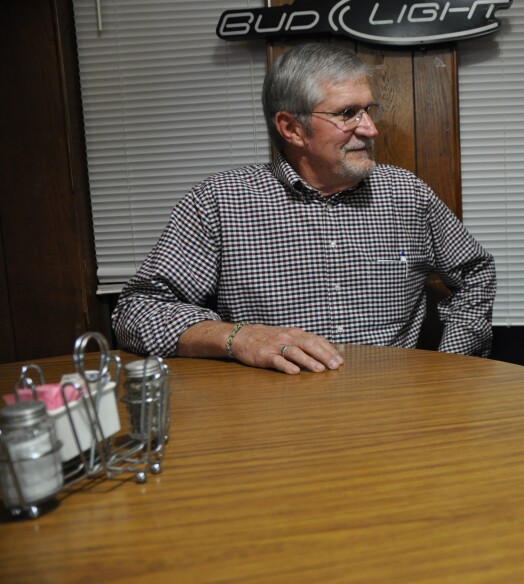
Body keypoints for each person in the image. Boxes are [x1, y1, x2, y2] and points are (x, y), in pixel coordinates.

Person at [113, 43, 495, 374]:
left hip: (390, 407)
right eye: (347, 114)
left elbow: (476, 272)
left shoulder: (406, 195)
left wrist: (452, 363)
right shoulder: (219, 202)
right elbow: (136, 312)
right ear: (291, 128)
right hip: (270, 417)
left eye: (368, 110)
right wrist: (237, 337)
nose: (370, 129)